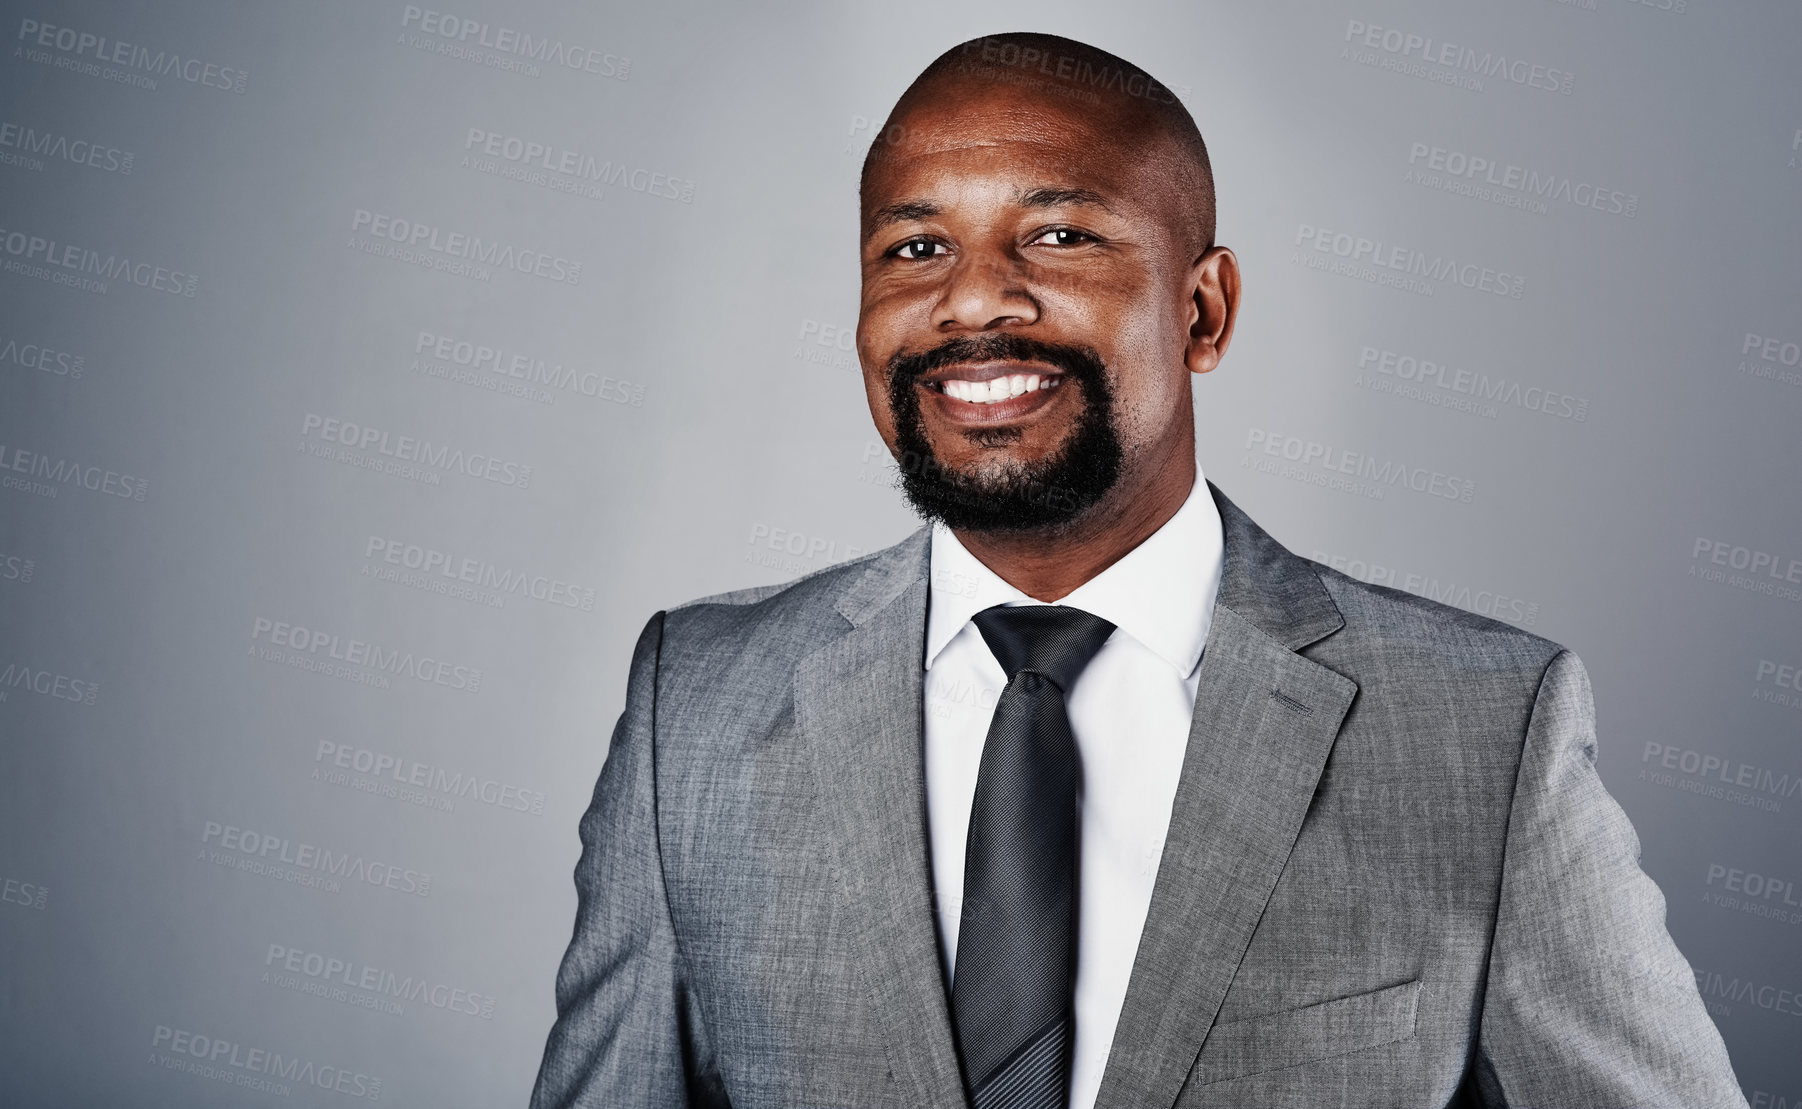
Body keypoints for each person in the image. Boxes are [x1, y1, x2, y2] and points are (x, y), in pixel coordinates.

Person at [531, 31, 1746, 1109]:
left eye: (1056, 234)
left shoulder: (1483, 731)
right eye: (913, 246)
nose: (971, 302)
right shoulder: (694, 702)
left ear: (1203, 310)